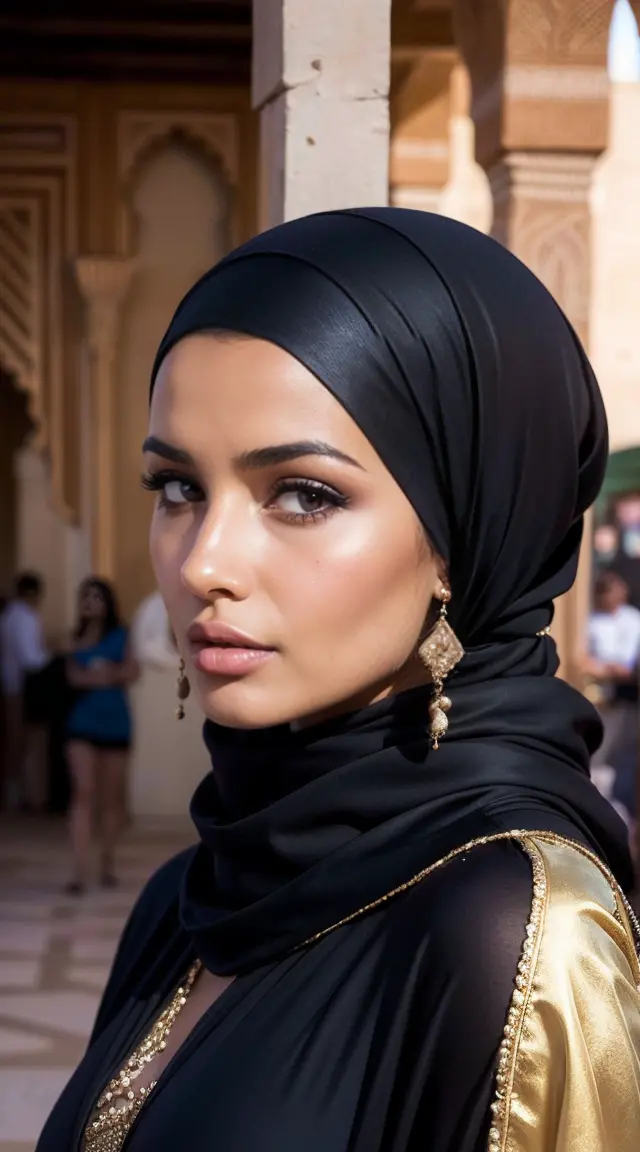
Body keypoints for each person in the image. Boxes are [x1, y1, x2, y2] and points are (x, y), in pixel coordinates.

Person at [37, 210, 640, 1152]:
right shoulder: (189, 898)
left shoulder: (512, 931)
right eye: (178, 488)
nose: (203, 563)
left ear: (460, 536)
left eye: (303, 495)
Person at [64, 577, 138, 894]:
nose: (91, 601)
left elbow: (131, 672)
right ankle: (80, 870)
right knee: (83, 791)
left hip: (115, 723)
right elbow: (73, 677)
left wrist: (101, 674)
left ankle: (106, 862)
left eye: (97, 596)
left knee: (111, 799)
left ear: (108, 602)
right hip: (81, 723)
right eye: (86, 596)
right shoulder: (75, 638)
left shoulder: (123, 635)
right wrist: (106, 674)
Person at [584, 570, 640, 823]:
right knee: (600, 758)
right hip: (597, 696)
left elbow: (626, 667)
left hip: (624, 699)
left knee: (621, 758)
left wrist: (602, 667)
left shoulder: (632, 620)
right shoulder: (592, 620)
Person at [0, 570, 49, 810]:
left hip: (10, 684)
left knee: (12, 741)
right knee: (20, 742)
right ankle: (19, 796)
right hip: (23, 687)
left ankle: (13, 793)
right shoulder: (26, 617)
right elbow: (32, 659)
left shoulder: (8, 616)